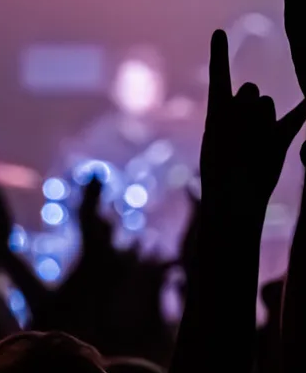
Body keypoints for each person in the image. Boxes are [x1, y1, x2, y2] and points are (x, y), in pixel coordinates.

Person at [57, 46, 200, 258]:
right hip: (111, 257)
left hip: (170, 252)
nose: (140, 92)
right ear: (116, 89)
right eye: (132, 85)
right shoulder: (95, 143)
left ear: (161, 88)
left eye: (147, 84)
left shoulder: (180, 141)